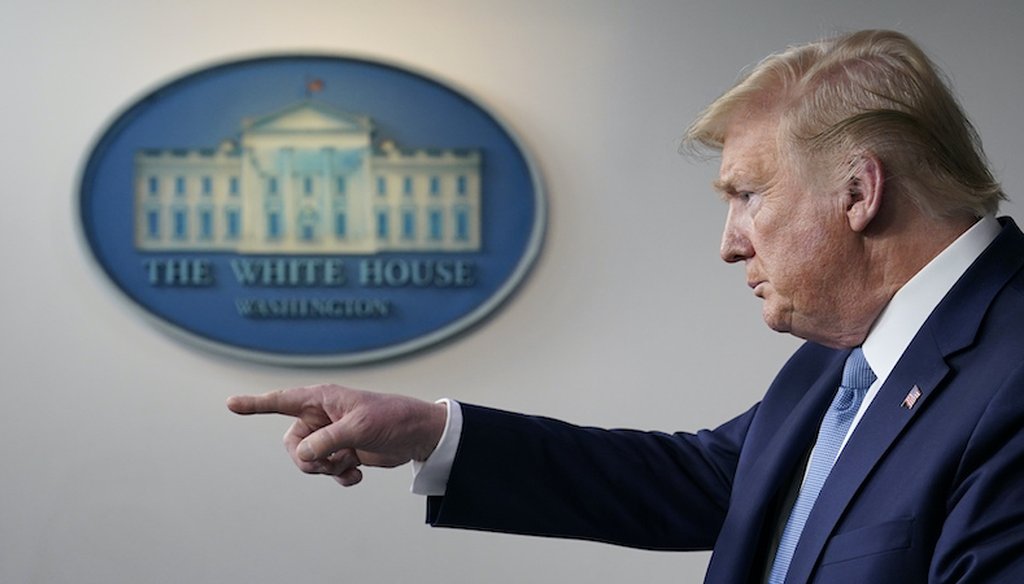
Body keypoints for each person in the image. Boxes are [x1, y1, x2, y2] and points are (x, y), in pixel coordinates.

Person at [227, 30, 1024, 583]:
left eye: (748, 195)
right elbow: (704, 479)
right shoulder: (853, 355)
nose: (730, 243)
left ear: (859, 190)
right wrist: (430, 433)